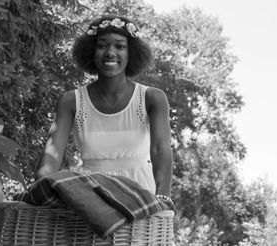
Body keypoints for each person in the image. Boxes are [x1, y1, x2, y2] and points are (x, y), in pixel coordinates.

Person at [34, 15, 173, 204]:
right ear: (91, 51)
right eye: (102, 45)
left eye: (120, 46)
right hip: (90, 199)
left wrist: (163, 199)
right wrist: (39, 194)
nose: (110, 52)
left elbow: (160, 149)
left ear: (131, 52)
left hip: (141, 197)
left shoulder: (152, 98)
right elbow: (53, 155)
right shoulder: (70, 101)